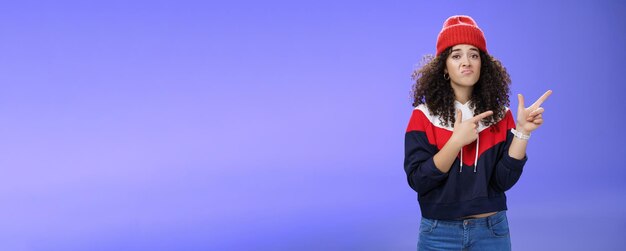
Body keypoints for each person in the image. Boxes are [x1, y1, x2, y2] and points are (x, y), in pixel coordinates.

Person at [404, 15, 552, 250]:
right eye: (456, 55)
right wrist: (455, 143)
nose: (466, 62)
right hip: (438, 233)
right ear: (444, 66)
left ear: (483, 64)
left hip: (491, 232)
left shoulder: (501, 115)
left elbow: (503, 181)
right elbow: (419, 180)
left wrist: (523, 132)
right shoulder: (423, 116)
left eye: (474, 55)